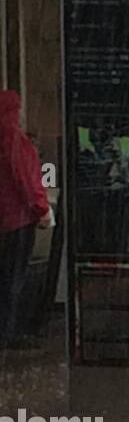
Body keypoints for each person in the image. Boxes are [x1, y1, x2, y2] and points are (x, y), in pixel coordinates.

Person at [0, 91, 54, 350]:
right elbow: (26, 180)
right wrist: (42, 210)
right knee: (14, 277)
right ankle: (10, 332)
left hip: (4, 218)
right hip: (18, 219)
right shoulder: (14, 140)